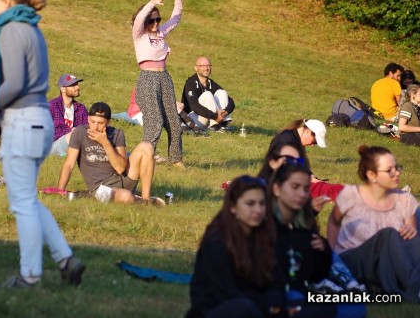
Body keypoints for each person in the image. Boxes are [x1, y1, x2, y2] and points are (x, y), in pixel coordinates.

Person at [0, 0, 84, 288]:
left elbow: (15, 82)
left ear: (6, 1)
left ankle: (29, 276)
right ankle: (65, 259)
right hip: (38, 121)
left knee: (21, 204)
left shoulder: (11, 30)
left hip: (23, 122)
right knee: (28, 199)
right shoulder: (31, 27)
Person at [327, 146, 420, 302]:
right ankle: (415, 288)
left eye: (397, 168)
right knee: (388, 234)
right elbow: (333, 223)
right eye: (389, 170)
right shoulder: (350, 196)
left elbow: (411, 237)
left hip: (389, 261)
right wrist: (331, 255)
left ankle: (412, 284)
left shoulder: (406, 199)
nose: (396, 173)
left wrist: (410, 230)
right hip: (355, 259)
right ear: (372, 175)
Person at [187, 176, 284, 318]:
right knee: (244, 308)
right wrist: (268, 307)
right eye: (250, 204)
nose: (258, 210)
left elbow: (276, 281)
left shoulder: (265, 236)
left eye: (262, 203)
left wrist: (277, 304)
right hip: (216, 310)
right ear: (233, 207)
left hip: (257, 306)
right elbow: (225, 293)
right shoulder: (217, 241)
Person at [56, 102, 163, 205]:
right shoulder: (79, 133)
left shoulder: (117, 134)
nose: (95, 127)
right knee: (126, 197)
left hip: (123, 179)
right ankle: (132, 199)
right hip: (100, 188)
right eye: (92, 122)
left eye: (100, 123)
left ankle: (146, 201)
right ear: (88, 119)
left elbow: (121, 168)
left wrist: (105, 142)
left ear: (108, 122)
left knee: (147, 146)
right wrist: (59, 191)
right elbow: (69, 165)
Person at [268, 159, 336, 318]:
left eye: (306, 189)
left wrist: (323, 250)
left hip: (297, 291)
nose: (302, 194)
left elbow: (316, 274)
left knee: (346, 308)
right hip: (267, 295)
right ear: (277, 189)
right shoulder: (264, 217)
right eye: (294, 187)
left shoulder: (303, 221)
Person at [131, 0, 185, 169]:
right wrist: (151, 3)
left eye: (157, 20)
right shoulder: (139, 35)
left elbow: (176, 19)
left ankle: (176, 159)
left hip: (164, 79)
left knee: (173, 121)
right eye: (151, 21)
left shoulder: (161, 33)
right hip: (147, 79)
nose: (155, 24)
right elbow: (139, 19)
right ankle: (146, 156)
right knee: (155, 120)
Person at [181, 56, 235, 131]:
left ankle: (223, 125)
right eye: (202, 66)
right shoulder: (190, 84)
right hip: (193, 120)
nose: (206, 68)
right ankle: (215, 125)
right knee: (207, 94)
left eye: (208, 65)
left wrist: (225, 112)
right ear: (196, 68)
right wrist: (215, 116)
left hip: (210, 118)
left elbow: (231, 102)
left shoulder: (211, 83)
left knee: (222, 93)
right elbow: (195, 107)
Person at [49, 73, 88, 156]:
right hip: (53, 145)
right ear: (63, 89)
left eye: (77, 84)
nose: (77, 87)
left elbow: (87, 128)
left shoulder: (81, 108)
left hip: (76, 142)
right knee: (75, 134)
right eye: (73, 85)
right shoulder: (52, 106)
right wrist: (72, 131)